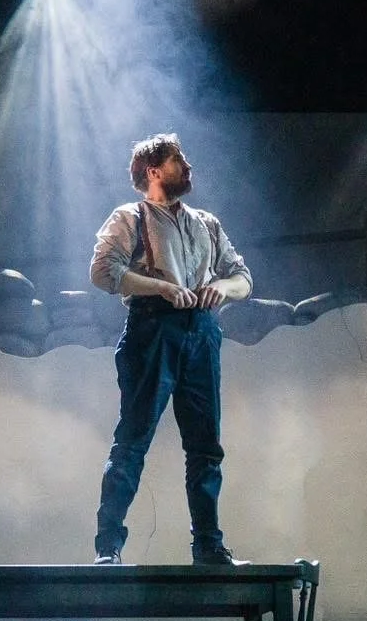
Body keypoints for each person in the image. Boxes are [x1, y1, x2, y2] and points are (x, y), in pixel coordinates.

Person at [88, 133, 253, 566]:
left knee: (205, 446)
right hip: (153, 329)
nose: (187, 165)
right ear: (154, 170)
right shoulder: (131, 216)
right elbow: (104, 271)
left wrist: (221, 287)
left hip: (201, 332)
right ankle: (108, 546)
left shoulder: (207, 223)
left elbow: (243, 278)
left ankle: (209, 546)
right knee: (133, 439)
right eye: (179, 159)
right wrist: (161, 287)